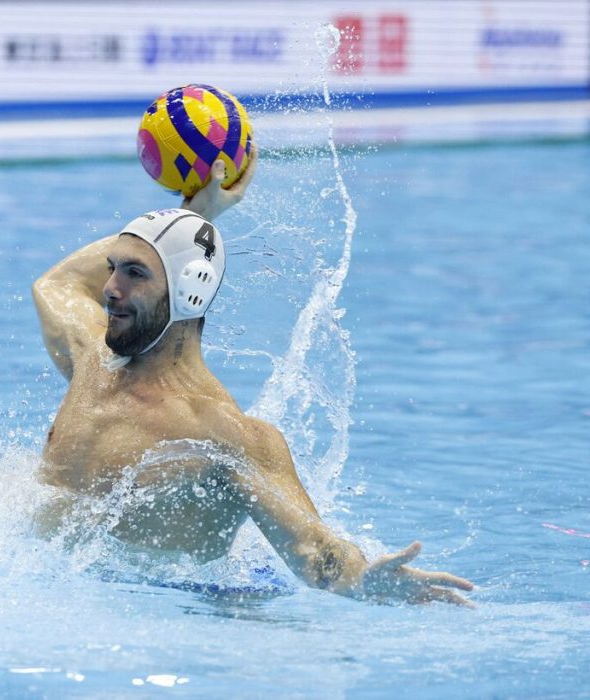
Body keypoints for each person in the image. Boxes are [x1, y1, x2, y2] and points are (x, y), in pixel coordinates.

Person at [31, 144, 474, 605]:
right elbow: (56, 284)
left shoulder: (225, 436)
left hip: (166, 614)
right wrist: (194, 215)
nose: (109, 289)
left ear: (191, 291)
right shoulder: (93, 360)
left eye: (135, 273)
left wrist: (365, 580)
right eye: (112, 269)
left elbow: (314, 550)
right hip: (53, 594)